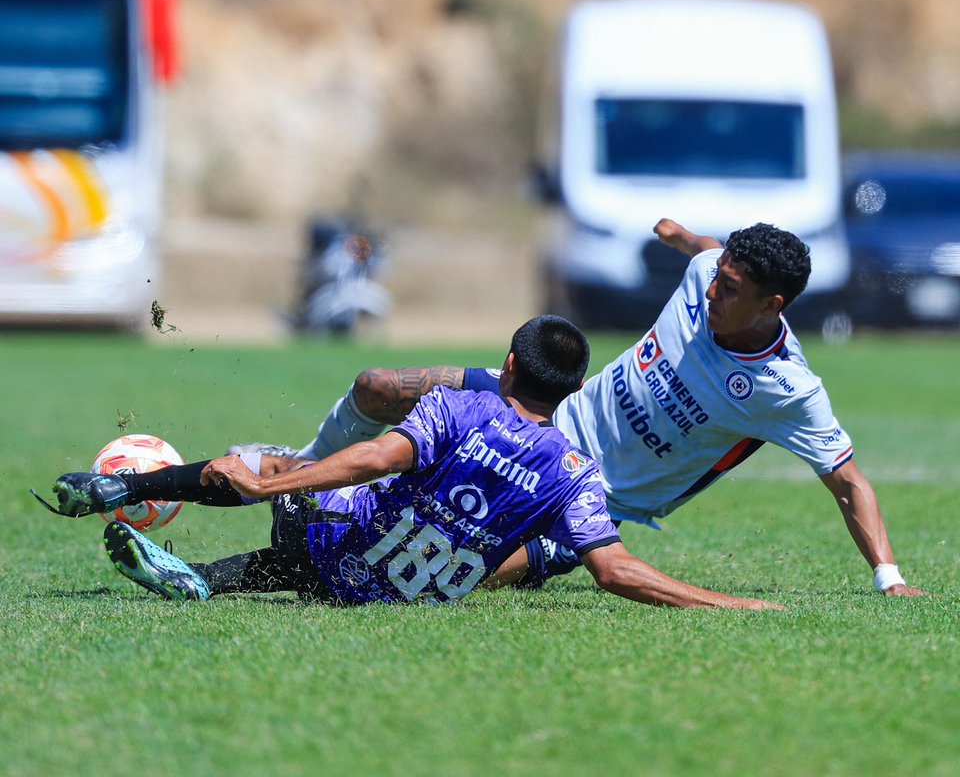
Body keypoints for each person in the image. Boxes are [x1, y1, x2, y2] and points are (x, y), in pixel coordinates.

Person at [251, 221, 925, 598]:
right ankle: (302, 471)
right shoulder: (708, 275)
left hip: (585, 495)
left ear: (773, 306)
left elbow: (849, 483)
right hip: (542, 406)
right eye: (718, 276)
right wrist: (684, 238)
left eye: (733, 287)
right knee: (378, 384)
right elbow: (708, 256)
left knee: (438, 568)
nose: (714, 289)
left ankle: (309, 535)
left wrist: (889, 579)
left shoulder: (790, 391)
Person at [38, 315, 779, 611]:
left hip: (338, 550)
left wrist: (276, 482)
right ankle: (206, 582)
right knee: (520, 549)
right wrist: (735, 603)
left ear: (509, 364)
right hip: (395, 597)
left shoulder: (463, 408)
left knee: (272, 470)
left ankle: (118, 486)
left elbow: (367, 460)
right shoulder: (576, 472)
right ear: (574, 388)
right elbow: (616, 571)